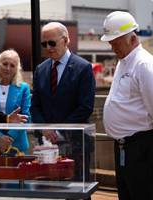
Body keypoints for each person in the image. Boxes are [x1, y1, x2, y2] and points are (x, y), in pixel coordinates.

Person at [31, 21, 95, 189]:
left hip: (75, 143)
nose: (48, 47)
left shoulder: (84, 68)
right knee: (49, 191)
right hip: (46, 145)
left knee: (78, 191)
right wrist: (44, 128)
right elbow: (35, 105)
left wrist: (59, 130)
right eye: (44, 44)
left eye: (52, 43)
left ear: (66, 40)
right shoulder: (40, 69)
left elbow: (85, 107)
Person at [101, 11, 153, 200]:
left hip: (140, 148)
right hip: (125, 148)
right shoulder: (125, 61)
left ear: (132, 38)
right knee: (127, 194)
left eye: (116, 42)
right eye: (111, 42)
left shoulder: (144, 65)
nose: (112, 46)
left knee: (141, 194)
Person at [0, 49, 31, 154]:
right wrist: (0, 138)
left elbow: (26, 117)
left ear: (17, 69)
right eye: (5, 64)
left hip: (18, 145)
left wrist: (9, 138)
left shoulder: (24, 88)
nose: (8, 68)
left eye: (12, 65)